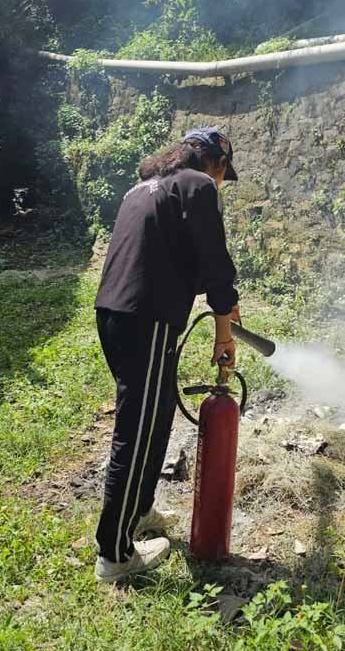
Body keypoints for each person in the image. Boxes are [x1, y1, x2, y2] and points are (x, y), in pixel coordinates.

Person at [93, 127, 240, 584]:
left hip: (116, 311)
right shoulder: (198, 186)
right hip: (148, 318)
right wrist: (224, 332)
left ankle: (139, 512)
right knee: (136, 431)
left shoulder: (142, 188)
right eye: (222, 170)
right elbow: (214, 261)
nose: (221, 180)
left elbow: (170, 257)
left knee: (154, 416)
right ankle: (114, 554)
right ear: (212, 159)